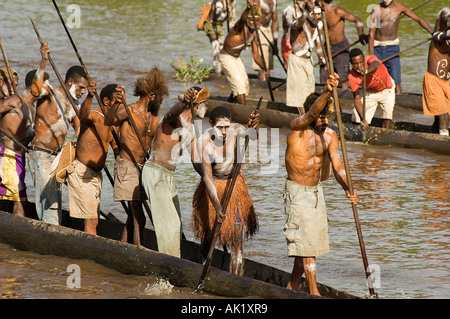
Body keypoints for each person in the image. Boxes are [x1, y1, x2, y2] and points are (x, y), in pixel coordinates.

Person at [284, 72, 359, 296]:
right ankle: (314, 292)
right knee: (306, 244)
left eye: (327, 116)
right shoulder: (297, 128)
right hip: (297, 192)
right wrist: (327, 90)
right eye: (321, 116)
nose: (325, 120)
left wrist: (349, 189)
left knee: (308, 243)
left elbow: (337, 166)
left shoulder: (329, 136)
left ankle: (292, 287)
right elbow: (311, 113)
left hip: (316, 192)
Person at [141, 86, 210, 258]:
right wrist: (184, 101)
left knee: (176, 224)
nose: (206, 106)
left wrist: (210, 179)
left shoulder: (191, 128)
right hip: (155, 173)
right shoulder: (174, 119)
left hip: (168, 177)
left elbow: (196, 161)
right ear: (196, 105)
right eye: (204, 103)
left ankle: (173, 260)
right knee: (169, 224)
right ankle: (168, 266)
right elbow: (172, 112)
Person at [191, 106, 259, 275]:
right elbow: (207, 178)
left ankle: (235, 278)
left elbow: (253, 137)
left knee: (236, 239)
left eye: (226, 127)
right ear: (210, 124)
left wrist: (253, 126)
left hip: (234, 187)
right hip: (213, 186)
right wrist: (217, 206)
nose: (223, 131)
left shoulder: (236, 131)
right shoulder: (205, 143)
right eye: (219, 127)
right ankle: (205, 271)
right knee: (208, 237)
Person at [104, 67, 169, 245]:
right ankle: (138, 253)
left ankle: (124, 249)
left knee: (132, 216)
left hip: (144, 167)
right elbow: (108, 121)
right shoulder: (129, 110)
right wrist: (117, 103)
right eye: (160, 97)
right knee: (139, 216)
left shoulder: (154, 115)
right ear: (151, 95)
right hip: (127, 165)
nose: (162, 101)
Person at [28, 61, 86, 225]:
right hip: (40, 153)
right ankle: (49, 232)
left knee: (54, 199)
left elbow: (80, 131)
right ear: (70, 82)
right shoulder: (51, 93)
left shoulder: (76, 106)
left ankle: (49, 229)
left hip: (56, 159)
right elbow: (35, 90)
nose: (83, 91)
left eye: (85, 89)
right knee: (48, 201)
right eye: (81, 87)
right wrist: (43, 61)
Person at [0, 43, 49, 217]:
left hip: (19, 158)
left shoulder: (31, 107)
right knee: (19, 198)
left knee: (17, 196)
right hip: (8, 156)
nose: (46, 90)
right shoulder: (14, 101)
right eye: (42, 87)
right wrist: (43, 61)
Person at [66, 82, 120, 235]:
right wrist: (89, 96)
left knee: (93, 219)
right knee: (91, 220)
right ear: (106, 102)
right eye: (117, 101)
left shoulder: (114, 124)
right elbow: (83, 116)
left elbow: (116, 149)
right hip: (83, 172)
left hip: (96, 176)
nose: (120, 105)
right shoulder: (95, 116)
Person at [368, 0, 433, 94]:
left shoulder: (400, 7)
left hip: (392, 48)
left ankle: (399, 100)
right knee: (376, 79)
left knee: (396, 81)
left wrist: (433, 33)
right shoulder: (376, 9)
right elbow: (371, 33)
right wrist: (371, 57)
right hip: (378, 48)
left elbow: (419, 19)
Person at [219, 4, 268, 105]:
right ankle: (244, 111)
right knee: (239, 86)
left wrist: (265, 69)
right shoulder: (239, 27)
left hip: (236, 58)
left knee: (244, 85)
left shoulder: (254, 33)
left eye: (256, 20)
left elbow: (256, 55)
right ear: (247, 19)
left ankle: (228, 104)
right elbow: (242, 19)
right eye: (251, 20)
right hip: (226, 57)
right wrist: (248, 8)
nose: (254, 23)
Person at [285, 0, 325, 114]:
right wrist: (307, 11)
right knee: (299, 94)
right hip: (297, 61)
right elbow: (295, 25)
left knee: (309, 92)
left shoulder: (319, 25)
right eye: (314, 14)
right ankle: (303, 117)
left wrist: (322, 60)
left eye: (319, 14)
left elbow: (318, 46)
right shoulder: (300, 23)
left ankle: (308, 115)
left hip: (308, 61)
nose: (317, 17)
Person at [318, 0, 368, 90]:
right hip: (327, 48)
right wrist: (320, 54)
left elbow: (357, 19)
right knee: (325, 76)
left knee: (343, 77)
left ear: (321, 1)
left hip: (341, 47)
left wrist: (360, 34)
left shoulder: (337, 11)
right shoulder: (319, 14)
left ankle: (345, 97)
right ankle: (326, 99)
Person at [348, 47, 395, 129]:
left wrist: (367, 71)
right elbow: (357, 99)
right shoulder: (352, 77)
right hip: (370, 92)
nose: (359, 65)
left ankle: (385, 136)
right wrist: (363, 119)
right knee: (357, 118)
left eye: (361, 62)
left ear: (364, 58)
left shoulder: (371, 59)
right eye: (355, 64)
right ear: (351, 63)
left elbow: (376, 64)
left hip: (387, 89)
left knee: (387, 117)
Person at [422, 7, 450, 136]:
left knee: (442, 116)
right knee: (443, 115)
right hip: (433, 81)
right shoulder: (437, 39)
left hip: (445, 83)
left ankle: (434, 137)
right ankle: (444, 141)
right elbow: (440, 35)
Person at [250, 0, 279, 81]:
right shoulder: (257, 1)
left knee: (268, 64)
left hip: (268, 30)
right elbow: (251, 19)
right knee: (262, 64)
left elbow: (275, 20)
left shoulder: (273, 1)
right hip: (259, 30)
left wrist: (275, 42)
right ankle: (263, 85)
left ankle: (267, 84)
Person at [202, 0, 230, 76]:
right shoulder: (218, 3)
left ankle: (222, 69)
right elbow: (219, 14)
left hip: (219, 26)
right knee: (216, 48)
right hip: (211, 26)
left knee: (222, 48)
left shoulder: (226, 2)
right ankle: (218, 71)